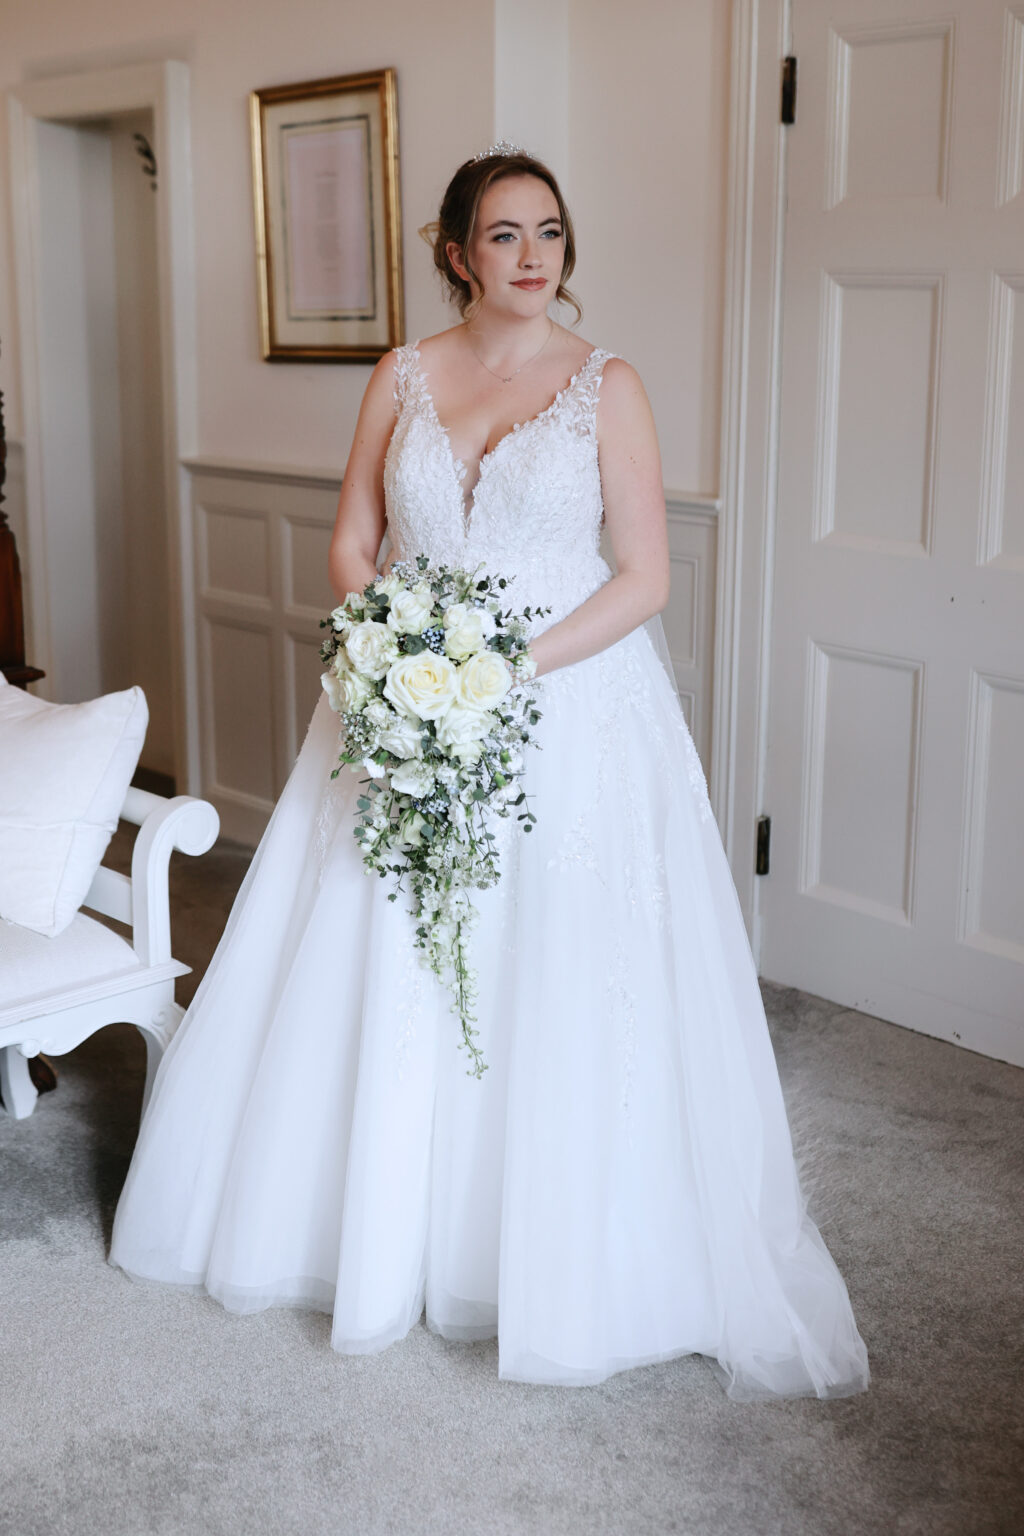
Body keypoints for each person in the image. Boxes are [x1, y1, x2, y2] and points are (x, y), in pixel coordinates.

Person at [110, 144, 869, 1400]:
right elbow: (354, 538)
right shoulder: (402, 374)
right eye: (505, 235)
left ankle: (547, 1252)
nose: (532, 258)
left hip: (566, 709)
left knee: (551, 968)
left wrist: (498, 671)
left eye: (551, 235)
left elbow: (644, 577)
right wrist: (397, 647)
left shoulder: (605, 385)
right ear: (457, 249)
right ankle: (379, 1230)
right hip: (404, 701)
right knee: (382, 945)